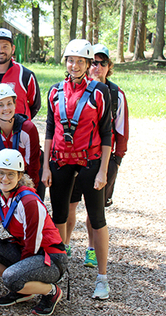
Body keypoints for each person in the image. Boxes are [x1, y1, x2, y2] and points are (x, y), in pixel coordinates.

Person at [42, 39, 112, 300]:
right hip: (60, 160)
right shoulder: (55, 91)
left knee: (97, 217)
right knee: (59, 215)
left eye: (80, 61)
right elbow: (50, 128)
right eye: (71, 60)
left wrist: (103, 170)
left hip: (90, 160)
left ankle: (102, 278)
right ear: (65, 62)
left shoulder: (98, 92)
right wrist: (46, 167)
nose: (75, 65)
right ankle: (60, 272)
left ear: (87, 64)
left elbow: (106, 133)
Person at [65, 43, 129, 267]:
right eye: (94, 62)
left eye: (103, 63)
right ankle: (66, 244)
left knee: (96, 210)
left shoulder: (115, 94)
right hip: (74, 158)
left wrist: (115, 161)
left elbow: (120, 130)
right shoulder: (74, 89)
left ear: (109, 67)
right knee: (70, 204)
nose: (97, 67)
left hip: (102, 160)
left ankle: (92, 250)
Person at [0, 149, 67, 315]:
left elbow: (32, 243)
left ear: (19, 176)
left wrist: (20, 273)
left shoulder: (28, 201)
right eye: (0, 173)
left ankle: (51, 292)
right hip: (27, 250)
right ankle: (24, 290)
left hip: (50, 257)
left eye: (10, 174)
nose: (4, 179)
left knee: (10, 278)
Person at [0, 83, 41, 197]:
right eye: (0, 105)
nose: (6, 109)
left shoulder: (28, 129)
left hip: (25, 177)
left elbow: (33, 165)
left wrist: (29, 192)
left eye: (9, 104)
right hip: (2, 179)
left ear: (14, 104)